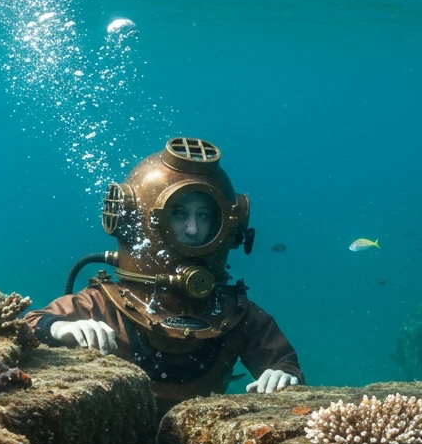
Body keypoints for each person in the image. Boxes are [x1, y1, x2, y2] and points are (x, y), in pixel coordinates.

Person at [24, 137, 304, 417]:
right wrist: (59, 328)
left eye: (204, 216)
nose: (192, 230)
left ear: (228, 225)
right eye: (179, 214)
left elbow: (284, 366)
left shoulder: (235, 315)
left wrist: (282, 378)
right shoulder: (104, 306)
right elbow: (30, 325)